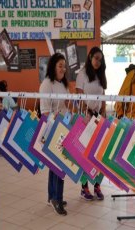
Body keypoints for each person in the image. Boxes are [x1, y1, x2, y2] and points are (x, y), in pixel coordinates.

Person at [39, 53, 69, 216]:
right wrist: (55, 119)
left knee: (55, 165)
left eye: (64, 66)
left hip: (63, 128)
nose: (63, 69)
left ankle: (52, 196)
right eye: (60, 65)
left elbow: (64, 106)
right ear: (52, 67)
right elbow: (44, 113)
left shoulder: (62, 84)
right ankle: (57, 198)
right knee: (59, 164)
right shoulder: (46, 84)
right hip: (52, 130)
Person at [76, 46, 107, 201]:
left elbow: (103, 96)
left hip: (99, 118)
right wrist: (87, 112)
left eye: (100, 60)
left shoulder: (101, 75)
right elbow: (79, 96)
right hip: (86, 117)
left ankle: (97, 185)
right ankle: (84, 187)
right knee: (85, 154)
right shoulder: (82, 74)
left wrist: (103, 112)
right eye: (96, 58)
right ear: (90, 57)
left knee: (98, 154)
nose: (98, 62)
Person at [0, 80, 18, 157]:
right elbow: (3, 107)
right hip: (12, 116)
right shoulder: (7, 96)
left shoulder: (5, 98)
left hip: (11, 118)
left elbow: (6, 110)